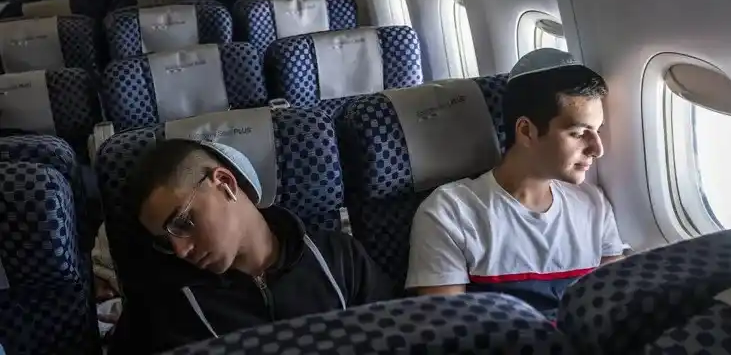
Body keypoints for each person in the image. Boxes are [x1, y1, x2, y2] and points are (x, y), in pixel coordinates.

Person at [110, 139, 393, 354]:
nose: (181, 250)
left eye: (183, 223)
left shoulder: (338, 257)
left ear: (224, 183)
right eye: (166, 242)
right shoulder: (161, 307)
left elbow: (394, 337)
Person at [405, 48, 626, 320]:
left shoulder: (593, 204)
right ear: (526, 131)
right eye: (579, 133)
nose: (597, 149)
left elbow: (616, 310)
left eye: (598, 131)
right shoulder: (451, 213)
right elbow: (448, 331)